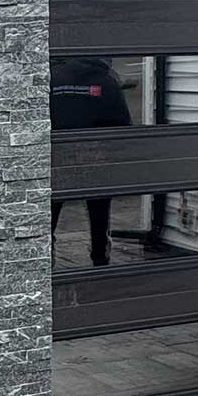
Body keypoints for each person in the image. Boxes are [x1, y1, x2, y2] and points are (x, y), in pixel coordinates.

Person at [49, 55, 131, 268]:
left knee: (50, 211)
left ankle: (45, 257)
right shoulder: (107, 82)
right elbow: (123, 125)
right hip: (95, 160)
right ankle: (100, 258)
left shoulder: (54, 78)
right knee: (99, 213)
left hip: (58, 157)